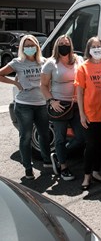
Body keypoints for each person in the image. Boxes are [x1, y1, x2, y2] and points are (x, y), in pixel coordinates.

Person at [0, 35, 52, 179]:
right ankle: (28, 167)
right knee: (26, 137)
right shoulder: (17, 62)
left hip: (41, 104)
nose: (30, 48)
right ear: (22, 48)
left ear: (37, 46)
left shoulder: (44, 62)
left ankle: (47, 161)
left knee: (44, 134)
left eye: (32, 45)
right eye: (26, 46)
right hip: (24, 105)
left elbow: (52, 77)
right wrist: (15, 84)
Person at [41, 35, 85, 181]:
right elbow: (43, 85)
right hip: (60, 105)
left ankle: (59, 155)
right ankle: (64, 167)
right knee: (60, 138)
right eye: (61, 43)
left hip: (77, 104)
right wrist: (51, 101)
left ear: (71, 45)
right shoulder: (50, 63)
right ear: (56, 46)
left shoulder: (78, 60)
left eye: (66, 43)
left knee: (81, 137)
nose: (64, 46)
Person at [75, 37, 101, 190]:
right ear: (88, 50)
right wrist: (82, 114)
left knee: (100, 145)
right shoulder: (83, 68)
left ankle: (96, 172)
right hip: (89, 113)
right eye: (93, 46)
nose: (97, 49)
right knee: (91, 145)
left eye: (99, 46)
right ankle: (87, 176)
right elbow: (79, 92)